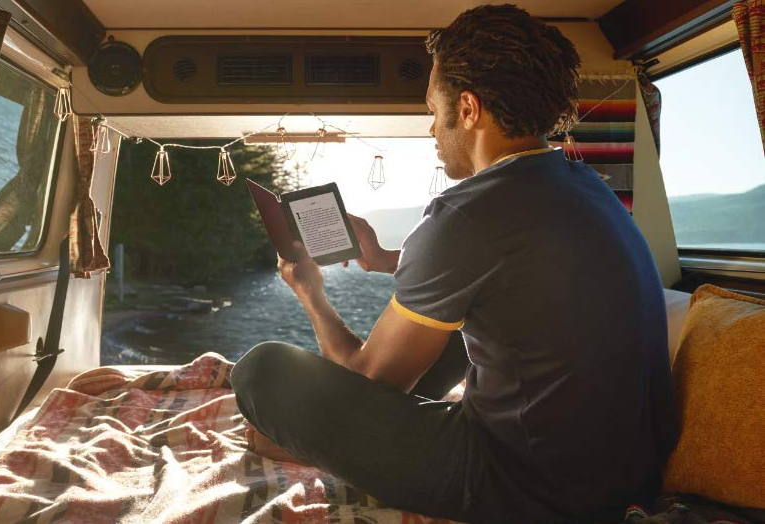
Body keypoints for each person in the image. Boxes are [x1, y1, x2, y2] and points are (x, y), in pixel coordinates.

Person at [231, 4, 678, 523]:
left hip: (528, 487)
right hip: (628, 470)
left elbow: (368, 382)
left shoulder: (463, 212)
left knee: (261, 370)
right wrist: (383, 261)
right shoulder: (587, 188)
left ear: (467, 109)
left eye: (432, 110)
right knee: (454, 323)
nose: (430, 129)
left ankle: (306, 442)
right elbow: (515, 269)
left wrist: (311, 293)